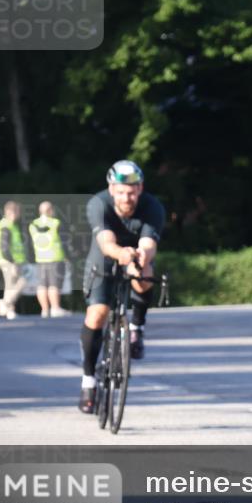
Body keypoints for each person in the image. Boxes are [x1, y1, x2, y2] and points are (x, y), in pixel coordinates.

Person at [78, 160, 165, 413]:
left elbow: (148, 244)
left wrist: (138, 258)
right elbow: (106, 243)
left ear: (140, 188)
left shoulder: (152, 207)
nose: (127, 197)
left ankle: (137, 327)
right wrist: (122, 255)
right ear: (111, 188)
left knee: (145, 273)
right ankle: (88, 382)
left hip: (136, 255)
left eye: (132, 191)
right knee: (98, 314)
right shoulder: (99, 204)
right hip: (105, 257)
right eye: (121, 191)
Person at [29, 201, 69, 318]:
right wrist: (67, 255)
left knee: (42, 285)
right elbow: (64, 242)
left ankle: (45, 310)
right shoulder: (56, 223)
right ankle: (55, 308)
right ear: (51, 210)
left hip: (40, 258)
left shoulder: (33, 224)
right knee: (54, 284)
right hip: (55, 257)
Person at [0, 200, 28, 321]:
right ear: (10, 212)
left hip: (14, 261)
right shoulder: (5, 225)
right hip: (9, 261)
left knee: (10, 287)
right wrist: (12, 262)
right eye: (17, 212)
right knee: (21, 283)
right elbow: (4, 246)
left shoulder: (11, 225)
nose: (19, 214)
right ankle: (5, 303)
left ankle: (9, 311)